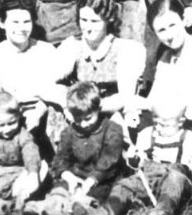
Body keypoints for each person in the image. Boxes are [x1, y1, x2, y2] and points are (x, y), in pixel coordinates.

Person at [0, 0, 69, 158]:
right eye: (15, 22)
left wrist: (39, 112)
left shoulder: (46, 50)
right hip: (12, 115)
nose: (21, 28)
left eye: (26, 21)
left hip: (44, 111)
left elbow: (53, 89)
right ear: (2, 23)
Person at [89, 102, 192, 215]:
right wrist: (133, 159)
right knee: (123, 185)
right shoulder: (147, 134)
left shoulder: (188, 139)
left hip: (178, 187)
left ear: (181, 121)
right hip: (149, 180)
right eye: (156, 123)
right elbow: (137, 166)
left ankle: (161, 211)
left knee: (174, 179)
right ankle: (106, 211)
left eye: (165, 126)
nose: (159, 128)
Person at [24, 82, 127, 215]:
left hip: (102, 180)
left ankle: (81, 209)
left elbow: (109, 161)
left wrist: (92, 180)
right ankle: (46, 207)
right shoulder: (69, 132)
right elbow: (60, 159)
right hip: (76, 176)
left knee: (94, 197)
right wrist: (67, 175)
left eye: (88, 118)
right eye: (78, 119)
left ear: (98, 108)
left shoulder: (112, 130)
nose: (83, 124)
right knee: (60, 190)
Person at [55, 0, 146, 117]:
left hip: (111, 113)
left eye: (94, 21)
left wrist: (91, 108)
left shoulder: (125, 49)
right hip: (78, 112)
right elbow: (47, 83)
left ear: (108, 20)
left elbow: (126, 96)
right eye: (84, 20)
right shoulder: (73, 46)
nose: (88, 27)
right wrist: (68, 104)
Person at [144, 0, 192, 129]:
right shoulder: (166, 56)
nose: (169, 35)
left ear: (184, 20)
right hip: (172, 122)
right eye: (161, 30)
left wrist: (156, 104)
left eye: (172, 25)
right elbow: (152, 99)